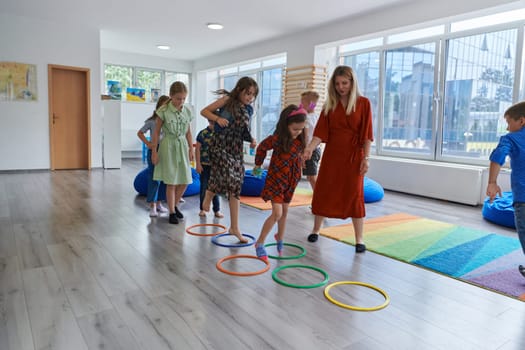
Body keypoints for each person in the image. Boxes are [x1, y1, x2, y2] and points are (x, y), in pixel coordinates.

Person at [303, 65, 373, 253]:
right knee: (323, 191)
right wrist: (309, 148)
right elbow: (320, 133)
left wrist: (366, 158)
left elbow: (367, 134)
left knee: (354, 194)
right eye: (337, 84)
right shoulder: (329, 105)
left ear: (352, 83)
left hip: (354, 157)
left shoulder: (363, 103)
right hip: (332, 156)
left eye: (345, 83)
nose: (341, 87)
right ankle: (316, 229)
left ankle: (359, 238)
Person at [200, 76, 258, 243]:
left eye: (253, 95)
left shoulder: (249, 110)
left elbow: (244, 131)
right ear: (239, 90)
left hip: (236, 148)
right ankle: (209, 193)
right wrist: (217, 118)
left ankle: (234, 227)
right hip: (219, 145)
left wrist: (252, 140)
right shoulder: (227, 100)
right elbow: (204, 111)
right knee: (230, 177)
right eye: (247, 93)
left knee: (236, 185)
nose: (250, 98)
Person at [252, 105, 307, 261]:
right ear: (286, 125)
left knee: (284, 211)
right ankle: (260, 243)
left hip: (291, 181)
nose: (298, 132)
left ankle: (280, 237)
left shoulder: (300, 140)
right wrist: (257, 164)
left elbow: (299, 155)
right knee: (277, 213)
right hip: (276, 179)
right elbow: (262, 147)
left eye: (301, 129)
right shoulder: (277, 139)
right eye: (295, 129)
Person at [486, 101, 525, 278]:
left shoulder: (510, 138)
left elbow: (498, 157)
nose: (508, 128)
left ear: (521, 121)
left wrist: (492, 182)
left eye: (509, 122)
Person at [151, 81, 194, 224]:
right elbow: (156, 132)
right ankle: (171, 212)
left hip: (182, 145)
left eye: (183, 99)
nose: (180, 101)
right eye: (178, 98)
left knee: (186, 180)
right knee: (171, 181)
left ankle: (174, 206)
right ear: (171, 96)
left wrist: (191, 149)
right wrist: (154, 152)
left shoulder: (187, 110)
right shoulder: (163, 111)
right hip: (168, 146)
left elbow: (188, 132)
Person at [137, 95, 170, 217]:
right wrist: (149, 144)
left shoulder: (168, 121)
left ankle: (160, 203)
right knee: (154, 178)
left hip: (166, 151)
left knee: (164, 178)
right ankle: (153, 205)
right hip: (154, 151)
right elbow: (140, 133)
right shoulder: (152, 121)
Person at [195, 119, 224, 218]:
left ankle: (216, 210)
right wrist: (198, 164)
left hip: (216, 165)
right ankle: (202, 209)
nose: (214, 125)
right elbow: (197, 149)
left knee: (215, 188)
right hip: (204, 164)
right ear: (209, 122)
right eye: (212, 123)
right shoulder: (203, 133)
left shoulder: (220, 133)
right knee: (204, 187)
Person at [300, 90, 321, 192]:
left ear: (311, 105)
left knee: (312, 177)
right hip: (317, 149)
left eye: (302, 103)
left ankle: (319, 198)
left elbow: (306, 135)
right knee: (310, 176)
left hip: (310, 150)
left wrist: (304, 150)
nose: (300, 105)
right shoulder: (317, 117)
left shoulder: (307, 118)